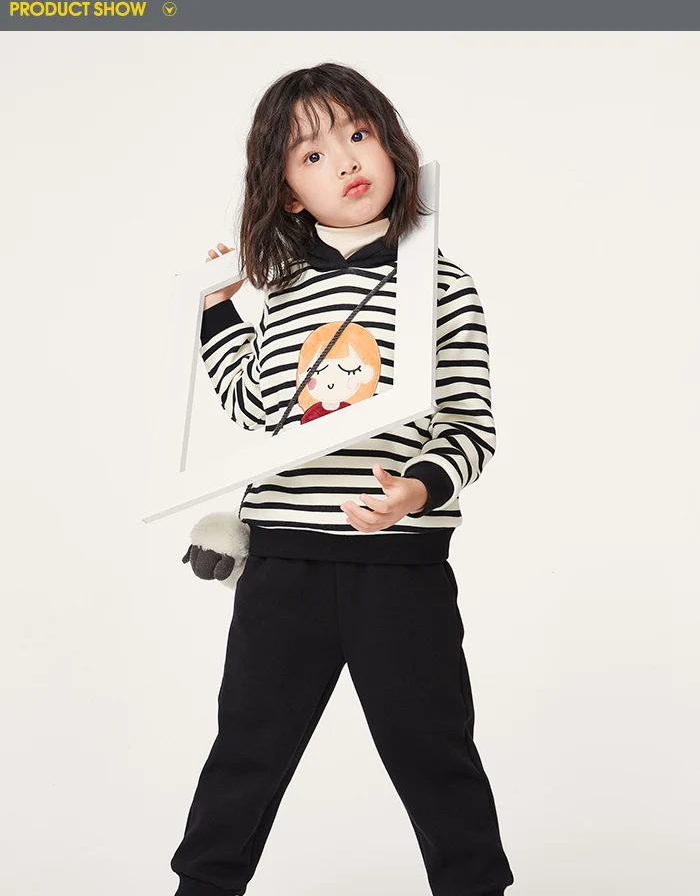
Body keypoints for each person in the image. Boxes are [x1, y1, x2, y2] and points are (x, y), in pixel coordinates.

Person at [170, 62, 515, 896]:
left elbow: (471, 425)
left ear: (392, 146)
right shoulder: (285, 288)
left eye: (359, 135)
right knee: (247, 750)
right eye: (313, 155)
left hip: (399, 567)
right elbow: (255, 405)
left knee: (433, 751)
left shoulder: (443, 283)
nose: (347, 161)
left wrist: (418, 488)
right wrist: (216, 309)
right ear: (289, 194)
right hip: (282, 560)